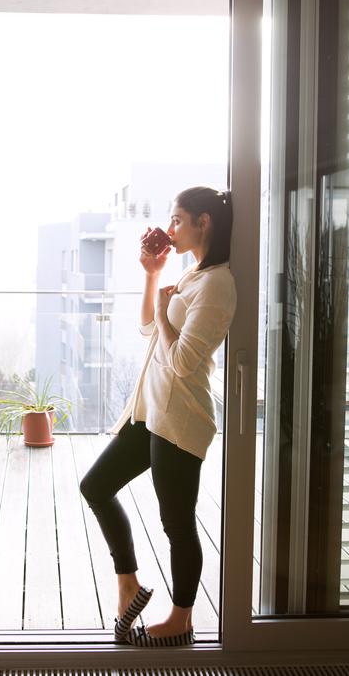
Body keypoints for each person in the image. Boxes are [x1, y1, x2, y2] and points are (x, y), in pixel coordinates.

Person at [79, 185, 236, 647]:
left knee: (176, 522)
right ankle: (128, 583)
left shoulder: (218, 283)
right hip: (149, 412)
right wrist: (153, 276)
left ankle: (182, 618)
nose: (171, 229)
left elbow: (184, 360)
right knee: (95, 485)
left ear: (203, 222)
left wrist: (167, 315)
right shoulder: (192, 275)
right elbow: (150, 328)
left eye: (177, 220)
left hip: (181, 418)